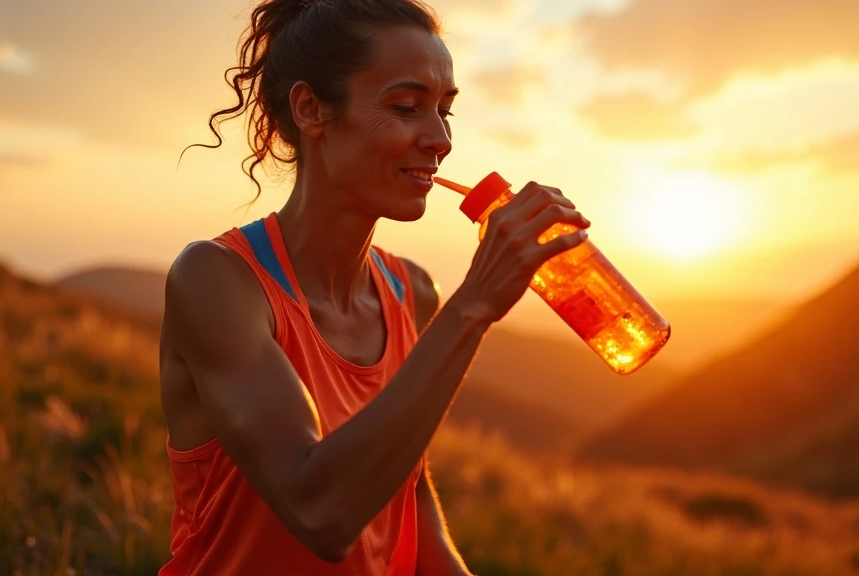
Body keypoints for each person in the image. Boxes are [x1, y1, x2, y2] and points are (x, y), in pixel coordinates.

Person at [158, 0, 590, 573]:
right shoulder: (217, 281)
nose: (440, 139)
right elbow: (319, 512)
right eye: (407, 107)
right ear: (311, 109)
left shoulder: (413, 291)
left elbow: (406, 496)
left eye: (445, 111)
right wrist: (476, 304)